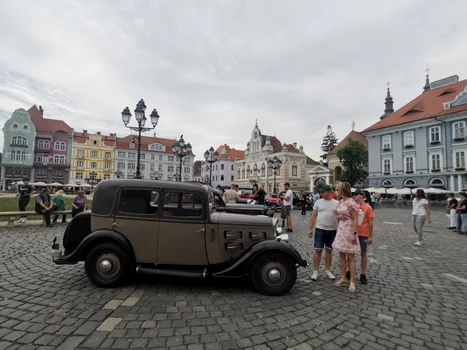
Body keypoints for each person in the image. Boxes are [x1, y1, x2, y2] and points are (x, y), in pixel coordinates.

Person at [332, 182, 360, 293]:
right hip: (341, 230)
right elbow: (337, 215)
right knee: (342, 256)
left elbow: (356, 219)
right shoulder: (341, 202)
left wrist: (354, 233)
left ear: (342, 191)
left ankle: (352, 281)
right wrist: (339, 216)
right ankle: (343, 278)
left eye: (338, 190)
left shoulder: (351, 203)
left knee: (351, 257)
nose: (336, 191)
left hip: (349, 231)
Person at [307, 185, 339, 281]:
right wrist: (310, 229)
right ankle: (315, 271)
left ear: (329, 192)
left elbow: (340, 216)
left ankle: (327, 270)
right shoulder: (318, 202)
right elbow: (313, 216)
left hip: (333, 230)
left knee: (329, 251)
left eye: (323, 192)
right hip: (320, 229)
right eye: (320, 192)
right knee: (318, 250)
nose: (321, 194)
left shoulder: (337, 203)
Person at [346, 189, 375, 285]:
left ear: (362, 196)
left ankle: (363, 274)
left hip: (363, 233)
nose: (355, 196)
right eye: (354, 195)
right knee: (351, 254)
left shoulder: (368, 207)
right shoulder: (352, 206)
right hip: (353, 232)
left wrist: (370, 236)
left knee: (363, 253)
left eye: (357, 194)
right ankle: (350, 271)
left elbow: (371, 223)